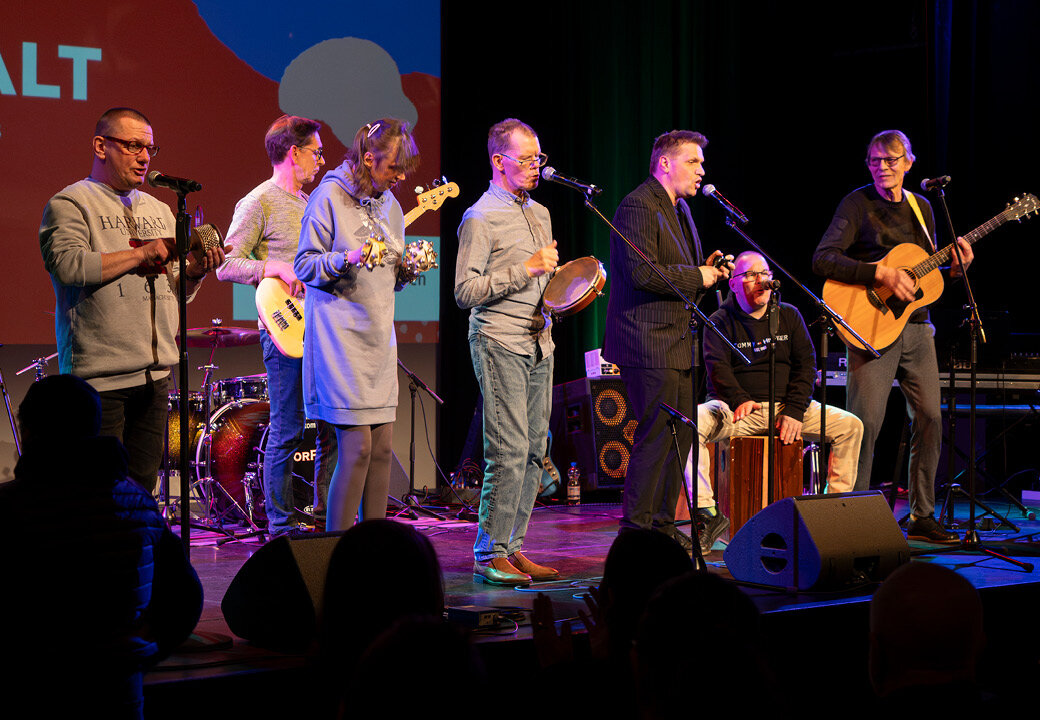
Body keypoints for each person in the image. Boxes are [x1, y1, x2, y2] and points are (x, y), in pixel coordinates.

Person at [39, 106, 225, 493]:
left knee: (141, 490)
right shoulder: (70, 203)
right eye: (133, 146)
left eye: (149, 149)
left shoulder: (160, 209)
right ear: (100, 146)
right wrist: (142, 253)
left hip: (155, 377)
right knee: (99, 491)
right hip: (100, 380)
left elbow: (174, 287)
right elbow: (69, 267)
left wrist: (194, 272)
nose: (144, 158)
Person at [0, 375, 203, 718]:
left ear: (28, 432)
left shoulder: (10, 507)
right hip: (119, 693)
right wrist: (140, 655)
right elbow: (186, 598)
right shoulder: (138, 502)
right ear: (96, 427)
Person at [813, 130, 973, 544]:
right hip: (871, 326)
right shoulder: (856, 204)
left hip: (917, 327)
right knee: (865, 423)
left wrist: (956, 268)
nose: (882, 167)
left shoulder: (923, 207)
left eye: (890, 160)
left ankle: (922, 514)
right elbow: (823, 258)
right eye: (874, 160)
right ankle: (852, 517)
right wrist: (879, 273)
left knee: (931, 417)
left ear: (908, 162)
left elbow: (925, 273)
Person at [602, 129, 730, 551]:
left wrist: (706, 271)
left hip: (679, 341)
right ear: (665, 163)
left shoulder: (681, 209)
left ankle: (661, 528)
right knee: (657, 434)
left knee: (682, 435)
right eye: (693, 162)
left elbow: (677, 272)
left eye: (701, 163)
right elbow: (642, 272)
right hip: (647, 339)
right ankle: (635, 534)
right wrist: (697, 275)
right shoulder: (638, 205)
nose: (701, 170)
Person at [687, 251, 865, 553]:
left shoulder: (789, 315)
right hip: (737, 410)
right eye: (751, 275)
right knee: (690, 422)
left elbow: (806, 367)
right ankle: (707, 514)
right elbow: (718, 369)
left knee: (851, 426)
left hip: (787, 409)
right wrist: (740, 399)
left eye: (765, 273)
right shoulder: (719, 321)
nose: (761, 280)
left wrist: (795, 411)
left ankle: (831, 517)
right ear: (733, 284)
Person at [294, 118, 420, 531]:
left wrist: (406, 270)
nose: (401, 177)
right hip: (339, 340)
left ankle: (373, 551)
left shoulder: (391, 206)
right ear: (369, 158)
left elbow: (385, 277)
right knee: (358, 449)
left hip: (378, 339)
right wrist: (347, 258)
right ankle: (338, 549)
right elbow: (304, 265)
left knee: (382, 450)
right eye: (394, 167)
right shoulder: (328, 196)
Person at [216, 114, 337, 538]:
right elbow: (225, 264)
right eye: (317, 152)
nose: (322, 160)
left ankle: (324, 520)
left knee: (331, 428)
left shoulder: (311, 203)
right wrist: (273, 266)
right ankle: (282, 526)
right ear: (293, 152)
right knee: (287, 429)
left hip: (322, 329)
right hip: (284, 331)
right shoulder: (258, 201)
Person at [455, 118, 561, 586]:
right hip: (499, 339)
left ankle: (512, 547)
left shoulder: (541, 213)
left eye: (539, 157)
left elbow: (543, 282)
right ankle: (489, 551)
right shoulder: (479, 217)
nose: (536, 166)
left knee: (536, 449)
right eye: (527, 159)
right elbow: (465, 291)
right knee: (509, 449)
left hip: (540, 341)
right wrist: (526, 269)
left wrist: (567, 294)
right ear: (499, 161)